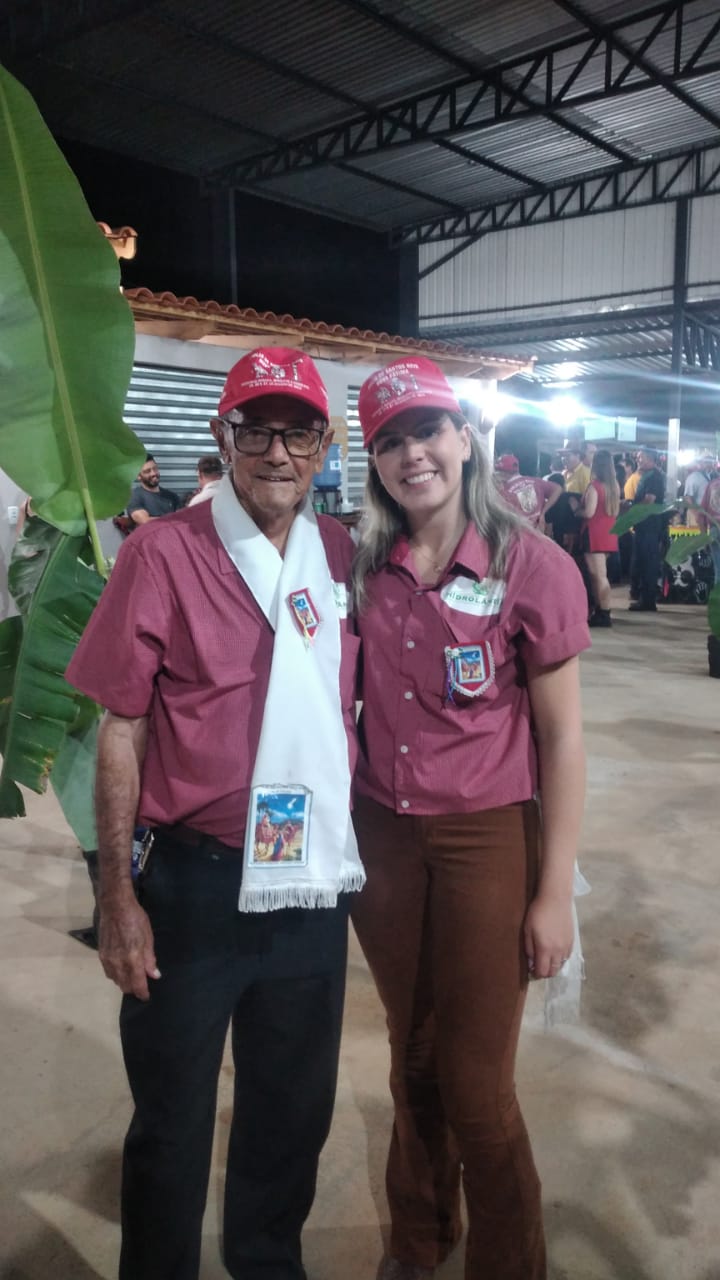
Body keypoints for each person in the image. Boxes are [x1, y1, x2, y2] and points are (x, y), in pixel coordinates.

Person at [65, 346, 365, 1280]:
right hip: (194, 883)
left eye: (299, 431)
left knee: (291, 1111)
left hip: (308, 884)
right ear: (221, 437)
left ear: (324, 443)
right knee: (173, 1119)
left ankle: (267, 1263)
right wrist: (117, 893)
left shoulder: (340, 553)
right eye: (256, 430)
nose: (278, 452)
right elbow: (121, 729)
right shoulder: (163, 553)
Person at [350, 356, 590, 1280]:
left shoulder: (536, 566)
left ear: (464, 439)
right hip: (385, 837)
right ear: (375, 461)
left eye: (427, 433)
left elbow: (563, 741)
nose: (413, 456)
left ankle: (508, 1261)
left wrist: (554, 890)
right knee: (411, 1060)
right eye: (390, 442)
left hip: (488, 832)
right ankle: (419, 1237)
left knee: (478, 1088)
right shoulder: (367, 567)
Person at [579, 449, 620, 627]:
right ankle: (602, 610)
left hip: (594, 534)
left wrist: (575, 508)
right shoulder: (614, 486)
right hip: (609, 533)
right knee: (600, 575)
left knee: (598, 576)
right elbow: (616, 511)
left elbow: (589, 512)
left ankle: (604, 612)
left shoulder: (594, 486)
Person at [629, 447, 666, 612]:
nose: (638, 460)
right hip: (643, 526)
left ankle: (648, 601)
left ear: (650, 459)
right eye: (637, 457)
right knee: (642, 563)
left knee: (648, 563)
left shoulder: (655, 477)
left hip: (650, 526)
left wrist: (632, 508)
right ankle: (644, 598)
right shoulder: (646, 476)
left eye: (641, 457)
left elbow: (649, 500)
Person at [493, 454, 562, 530]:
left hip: (520, 534)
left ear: (501, 473)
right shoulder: (535, 481)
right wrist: (543, 512)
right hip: (539, 532)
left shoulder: (504, 491)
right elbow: (558, 489)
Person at [126, 454, 180, 525]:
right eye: (147, 471)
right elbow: (146, 522)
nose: (153, 473)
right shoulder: (134, 497)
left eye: (155, 469)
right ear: (138, 476)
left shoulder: (172, 496)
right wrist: (174, 519)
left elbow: (182, 520)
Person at [683, 453, 715, 527]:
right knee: (697, 537)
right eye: (706, 462)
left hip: (710, 516)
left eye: (711, 462)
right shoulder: (694, 477)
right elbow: (687, 498)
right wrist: (696, 514)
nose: (709, 464)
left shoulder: (714, 477)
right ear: (701, 463)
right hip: (696, 514)